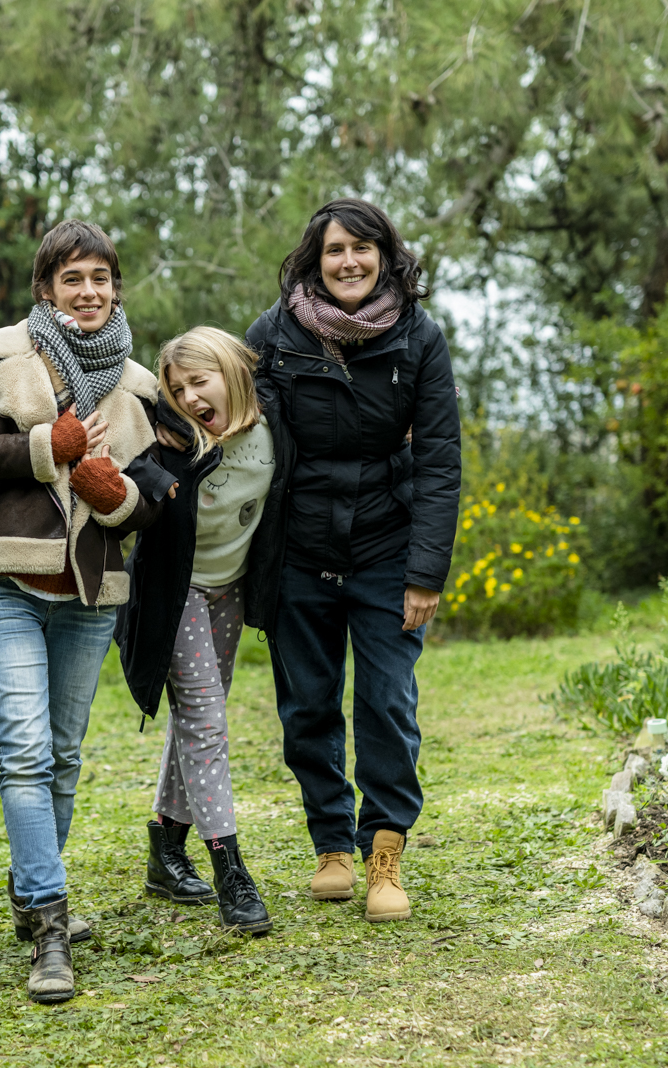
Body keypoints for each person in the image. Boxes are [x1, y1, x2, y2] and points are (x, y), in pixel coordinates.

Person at [0, 219, 173, 1003]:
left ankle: (34, 886)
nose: (89, 291)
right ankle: (48, 920)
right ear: (46, 289)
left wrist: (121, 498)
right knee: (28, 752)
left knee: (65, 756)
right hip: (8, 583)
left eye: (101, 278)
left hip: (90, 594)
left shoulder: (140, 384)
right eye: (73, 278)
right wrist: (49, 444)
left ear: (116, 289)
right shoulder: (3, 356)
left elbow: (159, 494)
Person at [243, 197, 461, 923]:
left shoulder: (419, 339)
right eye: (335, 251)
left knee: (387, 703)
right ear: (314, 260)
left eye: (363, 249)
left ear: (385, 257)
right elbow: (243, 439)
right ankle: (332, 844)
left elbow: (437, 462)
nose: (349, 263)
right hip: (299, 551)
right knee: (307, 704)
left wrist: (426, 572)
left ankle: (385, 849)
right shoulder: (272, 338)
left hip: (386, 549)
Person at [116, 327, 278, 935]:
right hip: (174, 591)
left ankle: (165, 844)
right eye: (177, 387)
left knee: (198, 721)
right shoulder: (173, 440)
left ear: (233, 371)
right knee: (205, 722)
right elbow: (133, 479)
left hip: (230, 589)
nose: (188, 395)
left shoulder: (273, 425)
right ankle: (229, 869)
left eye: (199, 381)